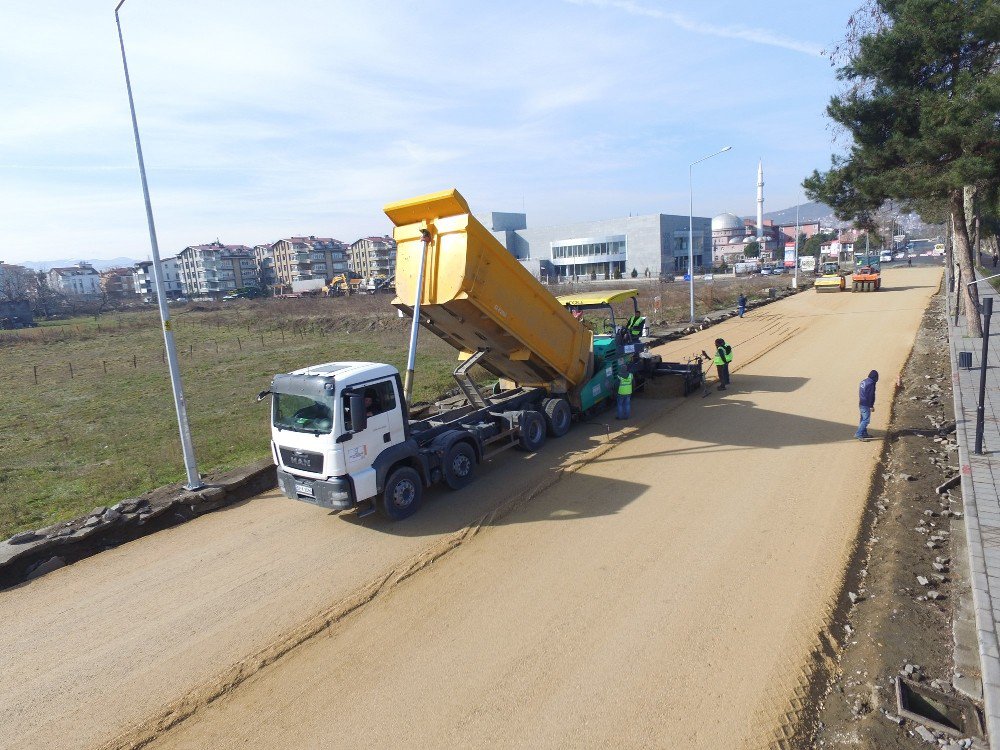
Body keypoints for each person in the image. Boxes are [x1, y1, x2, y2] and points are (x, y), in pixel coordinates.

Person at [855, 369, 879, 441]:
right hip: (866, 404)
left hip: (861, 403)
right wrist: (871, 406)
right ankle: (859, 434)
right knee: (866, 420)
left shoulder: (864, 381)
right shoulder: (871, 383)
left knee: (862, 419)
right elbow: (871, 395)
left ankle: (864, 433)